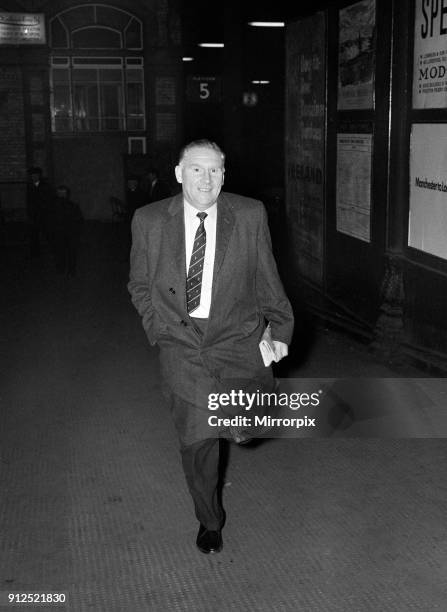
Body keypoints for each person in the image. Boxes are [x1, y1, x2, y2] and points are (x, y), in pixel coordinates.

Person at [128, 140, 294, 554]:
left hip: (236, 341)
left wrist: (281, 331)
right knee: (198, 443)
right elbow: (140, 284)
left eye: (216, 170)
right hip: (182, 348)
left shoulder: (250, 214)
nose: (207, 179)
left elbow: (268, 280)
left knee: (247, 429)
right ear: (180, 173)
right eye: (197, 170)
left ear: (225, 173)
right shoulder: (149, 220)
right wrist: (159, 330)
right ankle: (210, 521)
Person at [52, 185, 83, 276]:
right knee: (61, 252)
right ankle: (63, 269)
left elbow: (79, 220)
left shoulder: (73, 206)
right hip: (60, 233)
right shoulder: (53, 207)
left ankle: (70, 270)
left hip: (70, 233)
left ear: (67, 195)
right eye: (59, 193)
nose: (61, 195)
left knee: (70, 253)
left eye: (63, 193)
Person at [26, 167, 54, 257]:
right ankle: (35, 253)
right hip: (34, 214)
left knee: (47, 233)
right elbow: (29, 200)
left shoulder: (45, 186)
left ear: (39, 176)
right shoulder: (30, 186)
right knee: (34, 234)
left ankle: (53, 250)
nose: (34, 177)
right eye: (32, 175)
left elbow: (48, 199)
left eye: (35, 175)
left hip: (43, 213)